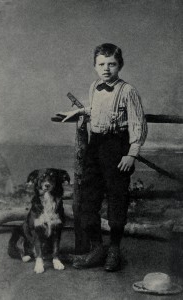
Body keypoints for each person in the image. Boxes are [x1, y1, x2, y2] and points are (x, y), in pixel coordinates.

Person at [59, 43, 147, 271]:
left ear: (120, 65)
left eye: (111, 64)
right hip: (95, 147)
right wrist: (79, 111)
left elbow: (138, 123)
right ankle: (97, 249)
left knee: (117, 199)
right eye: (101, 64)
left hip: (117, 147)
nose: (106, 69)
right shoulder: (95, 86)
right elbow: (97, 109)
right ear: (95, 66)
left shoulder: (128, 91)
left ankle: (114, 250)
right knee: (88, 198)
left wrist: (132, 153)